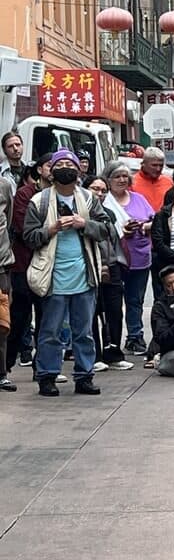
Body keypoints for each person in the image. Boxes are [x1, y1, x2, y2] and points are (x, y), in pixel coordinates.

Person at [22, 149, 111, 396]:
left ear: (77, 170)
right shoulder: (39, 202)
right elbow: (28, 237)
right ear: (50, 171)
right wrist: (50, 230)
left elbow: (106, 229)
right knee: (50, 331)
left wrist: (85, 225)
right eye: (58, 163)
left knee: (84, 331)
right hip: (52, 276)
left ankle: (84, 376)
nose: (64, 167)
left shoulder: (88, 198)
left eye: (68, 163)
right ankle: (47, 376)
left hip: (84, 274)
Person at [103, 161, 155, 356]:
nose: (122, 180)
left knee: (135, 300)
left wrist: (142, 226)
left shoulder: (139, 198)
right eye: (117, 176)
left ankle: (135, 336)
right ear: (108, 180)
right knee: (113, 302)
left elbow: (154, 220)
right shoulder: (105, 201)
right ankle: (110, 340)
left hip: (140, 256)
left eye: (125, 176)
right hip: (115, 258)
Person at [6, 154, 50, 373]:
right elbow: (25, 229)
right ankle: (6, 365)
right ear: (39, 169)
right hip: (23, 263)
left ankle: (41, 367)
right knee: (19, 318)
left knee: (46, 321)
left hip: (47, 264)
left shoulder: (60, 195)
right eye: (50, 166)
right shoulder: (25, 194)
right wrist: (49, 230)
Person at [83, 176, 132, 372]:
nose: (99, 194)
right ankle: (94, 355)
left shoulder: (110, 214)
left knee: (114, 311)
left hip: (113, 266)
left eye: (103, 190)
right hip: (90, 266)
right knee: (92, 313)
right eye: (95, 189)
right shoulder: (81, 213)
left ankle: (113, 353)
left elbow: (115, 242)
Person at [133, 147, 174, 214]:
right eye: (154, 165)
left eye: (161, 165)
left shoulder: (168, 182)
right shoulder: (132, 182)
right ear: (143, 164)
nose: (158, 169)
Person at [0, 190, 13, 391]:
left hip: (1, 266)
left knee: (1, 323)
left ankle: (1, 374)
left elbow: (8, 223)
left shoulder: (3, 186)